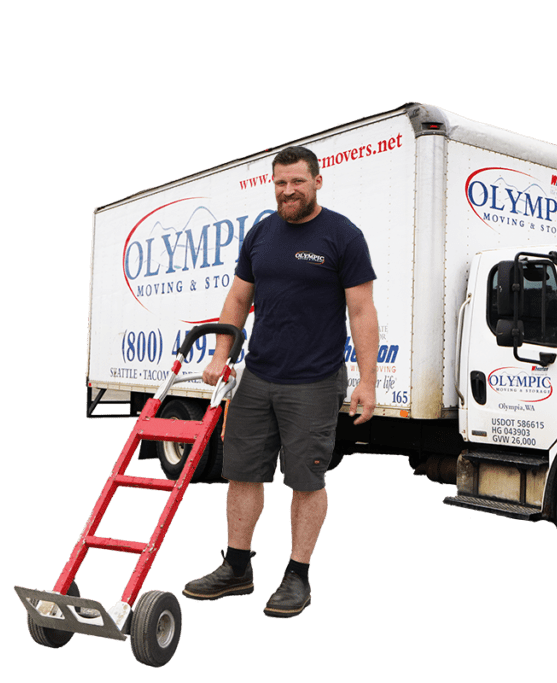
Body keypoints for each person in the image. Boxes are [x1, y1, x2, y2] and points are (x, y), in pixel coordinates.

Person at [182, 146, 378, 618]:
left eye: (296, 181)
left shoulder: (343, 236)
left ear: (317, 181)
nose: (287, 190)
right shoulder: (261, 234)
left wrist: (367, 381)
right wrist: (222, 355)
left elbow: (362, 311)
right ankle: (235, 567)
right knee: (242, 471)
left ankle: (297, 575)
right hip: (258, 374)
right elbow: (237, 298)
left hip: (313, 380)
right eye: (279, 183)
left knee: (305, 479)